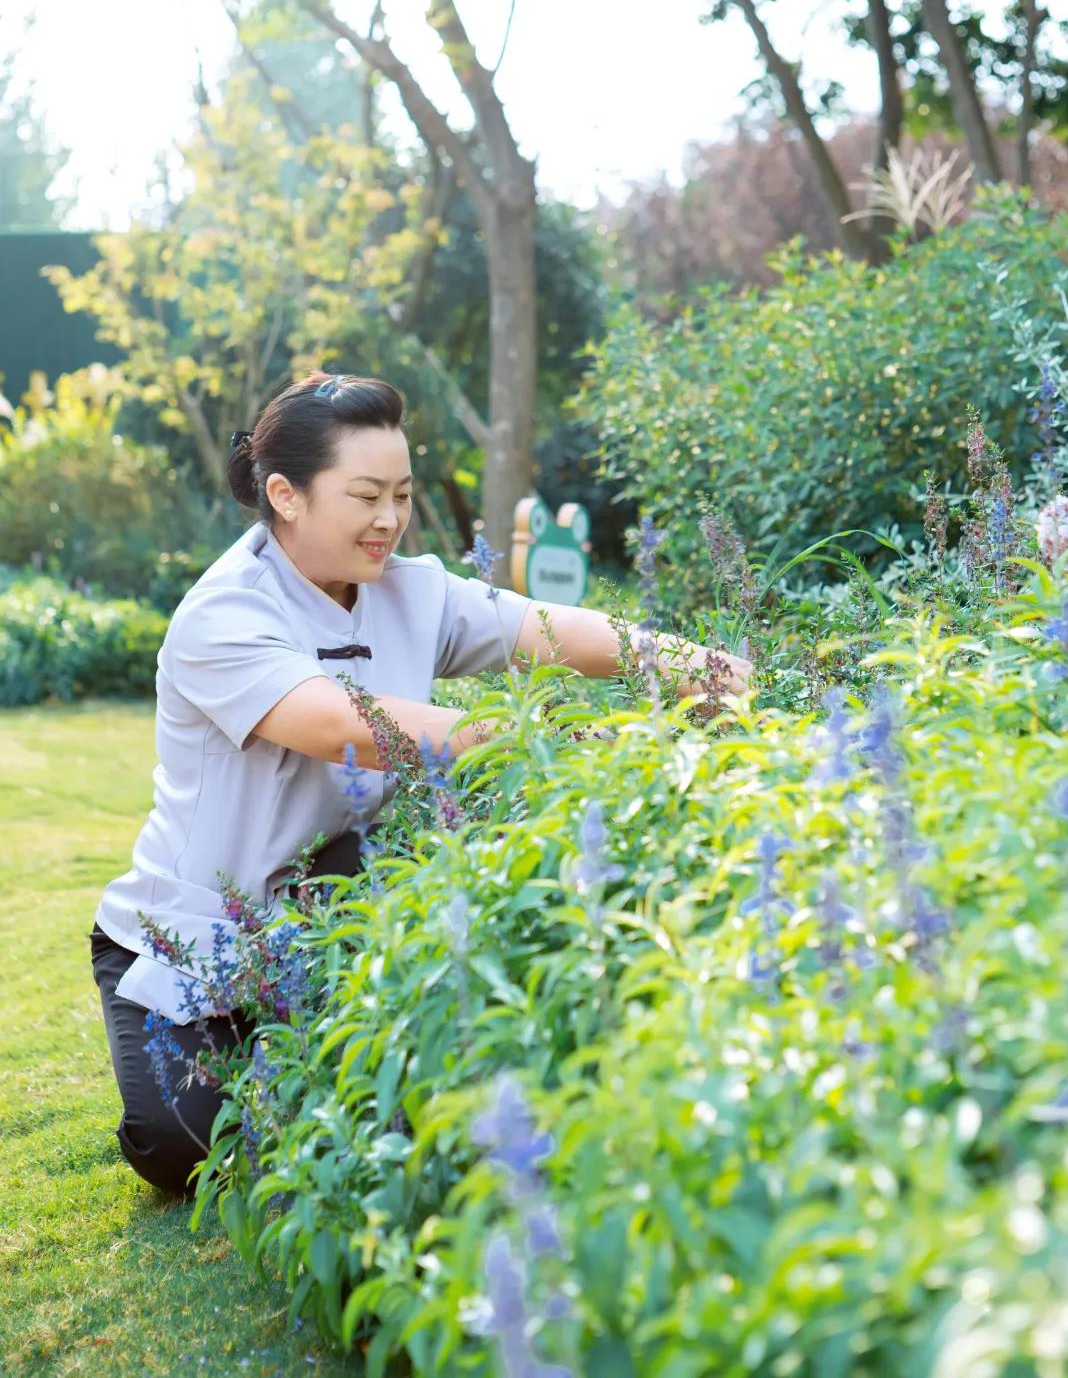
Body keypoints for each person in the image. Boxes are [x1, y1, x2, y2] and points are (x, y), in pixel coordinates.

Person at [89, 369, 750, 1196]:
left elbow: (548, 628)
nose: (390, 520)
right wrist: (563, 739)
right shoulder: (222, 616)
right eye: (367, 496)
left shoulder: (410, 588)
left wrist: (695, 663)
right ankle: (262, 1047)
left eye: (400, 494)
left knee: (380, 1082)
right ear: (286, 495)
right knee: (183, 1146)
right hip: (191, 930)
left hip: (331, 891)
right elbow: (348, 727)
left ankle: (326, 1047)